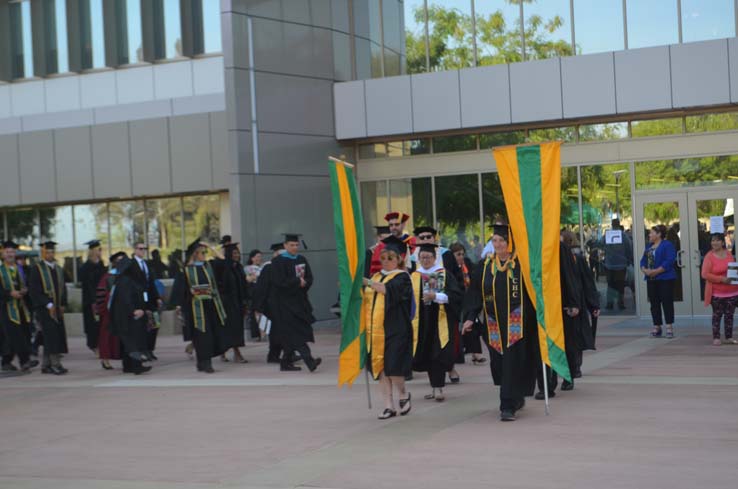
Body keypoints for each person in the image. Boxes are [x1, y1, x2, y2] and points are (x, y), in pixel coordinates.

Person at [462, 224, 539, 422]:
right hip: (493, 323)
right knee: (501, 362)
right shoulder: (486, 266)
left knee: (513, 361)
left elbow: (533, 293)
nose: (498, 244)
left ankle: (507, 406)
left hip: (517, 324)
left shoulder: (521, 265)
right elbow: (475, 293)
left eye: (502, 240)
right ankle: (516, 395)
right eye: (494, 240)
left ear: (510, 243)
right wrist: (470, 316)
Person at [362, 235, 413, 419]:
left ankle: (403, 393)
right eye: (382, 258)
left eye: (390, 258)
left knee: (394, 368)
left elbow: (387, 290)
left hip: (396, 329)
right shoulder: (376, 276)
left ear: (399, 259)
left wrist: (367, 282)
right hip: (375, 331)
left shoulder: (402, 278)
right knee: (380, 368)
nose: (385, 262)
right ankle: (388, 405)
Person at [410, 243, 462, 402]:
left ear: (434, 258)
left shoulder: (442, 274)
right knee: (426, 354)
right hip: (421, 324)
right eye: (422, 257)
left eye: (429, 257)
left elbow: (456, 296)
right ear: (418, 258)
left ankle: (438, 388)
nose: (425, 260)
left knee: (437, 355)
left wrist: (436, 297)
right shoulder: (414, 276)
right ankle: (434, 387)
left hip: (440, 322)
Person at [172, 240, 227, 373]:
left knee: (210, 334)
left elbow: (223, 259)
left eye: (205, 252)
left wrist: (209, 246)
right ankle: (204, 363)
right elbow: (180, 290)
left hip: (211, 306)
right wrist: (188, 294)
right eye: (202, 252)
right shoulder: (186, 271)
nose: (205, 254)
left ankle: (204, 362)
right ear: (195, 254)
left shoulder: (208, 266)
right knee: (202, 336)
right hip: (195, 308)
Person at [269, 234, 321, 372]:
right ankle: (309, 361)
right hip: (284, 304)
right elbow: (278, 282)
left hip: (300, 302)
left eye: (296, 245)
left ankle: (285, 363)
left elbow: (309, 277)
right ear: (285, 245)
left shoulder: (301, 259)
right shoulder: (278, 262)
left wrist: (305, 283)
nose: (295, 248)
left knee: (293, 333)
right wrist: (297, 282)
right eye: (291, 245)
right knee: (297, 333)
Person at [28, 241, 69, 375]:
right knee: (51, 336)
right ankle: (55, 364)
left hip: (57, 309)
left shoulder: (58, 268)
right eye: (48, 252)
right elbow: (34, 291)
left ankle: (46, 365)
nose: (50, 254)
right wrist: (48, 304)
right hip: (44, 309)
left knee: (53, 336)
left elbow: (64, 288)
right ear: (43, 253)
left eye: (52, 252)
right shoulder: (37, 269)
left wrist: (63, 304)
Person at [109, 256, 152, 375]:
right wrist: (134, 310)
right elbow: (126, 299)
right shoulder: (126, 281)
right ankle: (137, 366)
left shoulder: (124, 280)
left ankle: (128, 366)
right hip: (128, 317)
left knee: (129, 342)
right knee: (132, 342)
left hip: (126, 316)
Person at [0, 240, 37, 373]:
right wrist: (9, 293)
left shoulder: (20, 269)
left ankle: (6, 362)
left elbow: (26, 284)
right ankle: (24, 360)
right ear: (2, 254)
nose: (10, 254)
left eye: (12, 252)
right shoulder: (0, 270)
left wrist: (24, 291)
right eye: (7, 252)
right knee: (14, 335)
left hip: (21, 307)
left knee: (22, 333)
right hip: (6, 308)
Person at [450, 242, 486, 365]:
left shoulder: (468, 264)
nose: (460, 257)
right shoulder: (451, 268)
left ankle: (476, 354)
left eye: (462, 254)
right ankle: (467, 353)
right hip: (458, 303)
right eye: (457, 254)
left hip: (469, 301)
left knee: (473, 326)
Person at [640, 224, 678, 338]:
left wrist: (656, 271)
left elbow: (669, 260)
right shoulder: (649, 246)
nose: (649, 235)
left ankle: (669, 327)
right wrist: (644, 270)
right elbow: (643, 260)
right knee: (654, 303)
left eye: (652, 233)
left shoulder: (667, 245)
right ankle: (657, 326)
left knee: (667, 302)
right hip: (651, 279)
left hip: (665, 278)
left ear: (659, 234)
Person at [701, 233, 738, 346]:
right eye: (712, 241)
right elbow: (705, 274)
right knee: (717, 315)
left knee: (729, 315)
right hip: (716, 293)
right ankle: (716, 337)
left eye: (717, 240)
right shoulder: (709, 256)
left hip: (732, 291)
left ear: (723, 242)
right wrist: (721, 279)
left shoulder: (728, 254)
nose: (714, 243)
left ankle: (729, 337)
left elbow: (732, 269)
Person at [252, 243, 285, 363]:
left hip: (283, 304)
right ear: (275, 254)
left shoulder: (284, 266)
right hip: (272, 305)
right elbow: (261, 288)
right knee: (276, 332)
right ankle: (274, 356)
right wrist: (259, 306)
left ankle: (283, 354)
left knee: (282, 332)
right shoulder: (268, 267)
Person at [217, 242, 248, 362]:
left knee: (236, 328)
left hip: (238, 303)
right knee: (230, 328)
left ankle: (223, 352)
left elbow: (243, 285)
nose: (237, 255)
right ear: (229, 254)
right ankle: (236, 353)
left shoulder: (239, 267)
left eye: (237, 253)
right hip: (227, 304)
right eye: (234, 253)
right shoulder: (223, 268)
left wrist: (245, 302)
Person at [95, 252, 126, 370]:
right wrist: (105, 307)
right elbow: (101, 294)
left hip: (122, 311)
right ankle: (105, 359)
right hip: (109, 311)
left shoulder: (125, 275)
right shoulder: (107, 277)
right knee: (106, 335)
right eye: (118, 260)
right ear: (113, 263)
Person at [131, 242, 163, 359]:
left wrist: (157, 297)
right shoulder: (131, 265)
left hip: (150, 299)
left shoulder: (147, 264)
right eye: (140, 248)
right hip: (139, 300)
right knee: (142, 326)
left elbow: (151, 283)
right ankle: (142, 350)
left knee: (154, 324)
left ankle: (150, 349)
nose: (143, 251)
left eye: (145, 249)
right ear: (135, 250)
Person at [78, 240, 106, 354]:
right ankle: (93, 345)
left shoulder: (101, 264)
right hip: (90, 300)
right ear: (93, 251)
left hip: (101, 298)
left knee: (100, 324)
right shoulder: (86, 266)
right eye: (99, 250)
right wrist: (93, 300)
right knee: (92, 324)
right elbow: (87, 284)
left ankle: (100, 344)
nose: (100, 252)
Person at [603, 219, 633, 310]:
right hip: (621, 264)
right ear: (619, 224)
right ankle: (620, 303)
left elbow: (600, 243)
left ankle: (610, 304)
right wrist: (629, 260)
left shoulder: (607, 235)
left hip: (609, 264)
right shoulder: (623, 235)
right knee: (620, 285)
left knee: (610, 284)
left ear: (612, 225)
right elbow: (629, 248)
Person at [244, 249, 263, 340]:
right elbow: (248, 279)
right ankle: (257, 334)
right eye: (257, 257)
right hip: (253, 292)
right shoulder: (248, 268)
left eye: (260, 257)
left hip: (261, 291)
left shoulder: (262, 268)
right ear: (252, 258)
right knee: (255, 312)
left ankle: (262, 333)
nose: (259, 258)